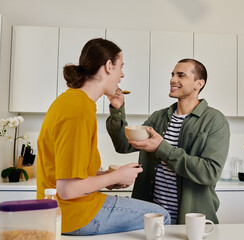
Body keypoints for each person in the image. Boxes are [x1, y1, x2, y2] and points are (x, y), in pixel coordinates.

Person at [36, 38, 170, 236]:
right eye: (120, 67)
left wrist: (108, 179)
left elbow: (72, 175)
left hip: (66, 209)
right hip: (73, 214)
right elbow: (67, 189)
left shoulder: (75, 101)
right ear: (108, 66)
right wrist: (116, 175)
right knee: (161, 217)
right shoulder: (78, 110)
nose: (122, 74)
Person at [106, 58, 230, 224]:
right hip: (152, 218)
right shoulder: (159, 117)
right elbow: (123, 145)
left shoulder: (215, 120)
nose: (173, 79)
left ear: (198, 84)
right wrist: (117, 109)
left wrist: (162, 148)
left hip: (191, 220)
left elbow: (210, 173)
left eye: (181, 75)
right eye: (172, 75)